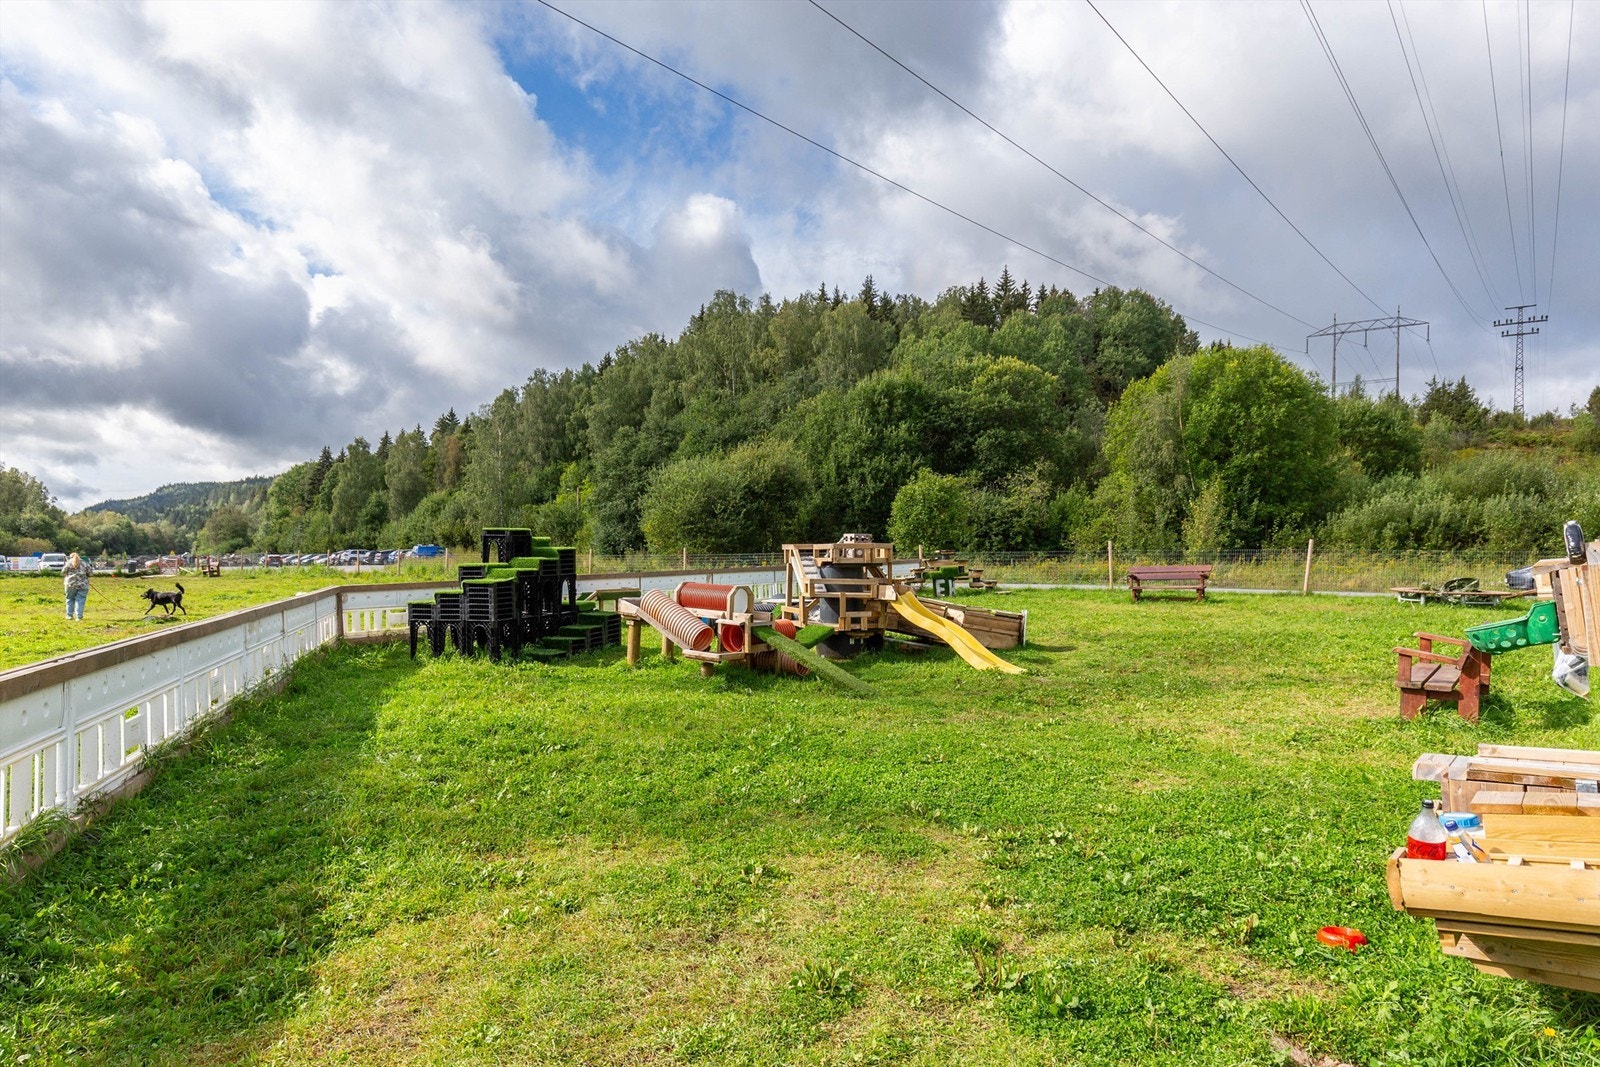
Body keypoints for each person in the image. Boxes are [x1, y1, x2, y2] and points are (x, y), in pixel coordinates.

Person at [62, 551, 92, 620]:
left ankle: (69, 616)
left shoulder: (68, 563)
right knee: (80, 600)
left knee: (70, 599)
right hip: (83, 584)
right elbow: (90, 573)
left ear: (70, 557)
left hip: (70, 584)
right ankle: (79, 616)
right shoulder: (85, 563)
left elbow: (63, 572)